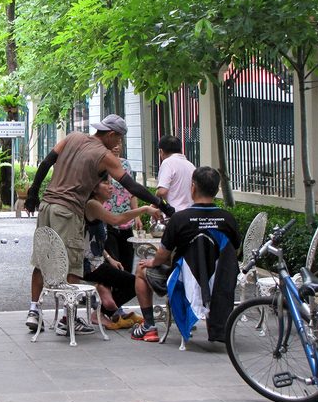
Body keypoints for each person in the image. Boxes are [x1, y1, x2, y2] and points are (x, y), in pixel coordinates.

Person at [24, 114, 174, 332]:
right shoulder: (104, 155)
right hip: (68, 211)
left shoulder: (73, 137)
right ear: (111, 134)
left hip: (47, 205)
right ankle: (68, 319)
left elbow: (47, 162)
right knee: (71, 264)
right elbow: (132, 186)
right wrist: (162, 205)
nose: (119, 144)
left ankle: (34, 310)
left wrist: (33, 194)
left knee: (42, 258)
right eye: (119, 139)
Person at [130, 166, 240, 342]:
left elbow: (163, 254)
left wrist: (152, 263)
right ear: (218, 189)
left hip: (183, 284)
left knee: (141, 271)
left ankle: (149, 326)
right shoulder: (227, 219)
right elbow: (233, 251)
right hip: (220, 283)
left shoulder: (180, 219)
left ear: (193, 187)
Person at [80, 174, 157, 333]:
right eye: (105, 183)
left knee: (122, 271)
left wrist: (109, 258)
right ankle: (100, 312)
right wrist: (143, 209)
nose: (111, 186)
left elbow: (93, 241)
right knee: (133, 283)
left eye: (111, 183)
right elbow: (116, 220)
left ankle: (106, 297)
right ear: (94, 188)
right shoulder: (92, 205)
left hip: (98, 262)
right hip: (88, 266)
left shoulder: (98, 205)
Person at [103, 138, 141, 273]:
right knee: (114, 264)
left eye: (119, 143)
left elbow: (132, 192)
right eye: (114, 143)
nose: (116, 147)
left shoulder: (126, 164)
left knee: (128, 262)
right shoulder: (102, 164)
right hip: (108, 221)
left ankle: (121, 293)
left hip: (126, 221)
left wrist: (137, 216)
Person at [155, 135, 195, 213]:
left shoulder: (168, 163)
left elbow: (162, 191)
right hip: (190, 213)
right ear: (181, 150)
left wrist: (155, 197)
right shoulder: (190, 165)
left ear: (161, 151)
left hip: (173, 214)